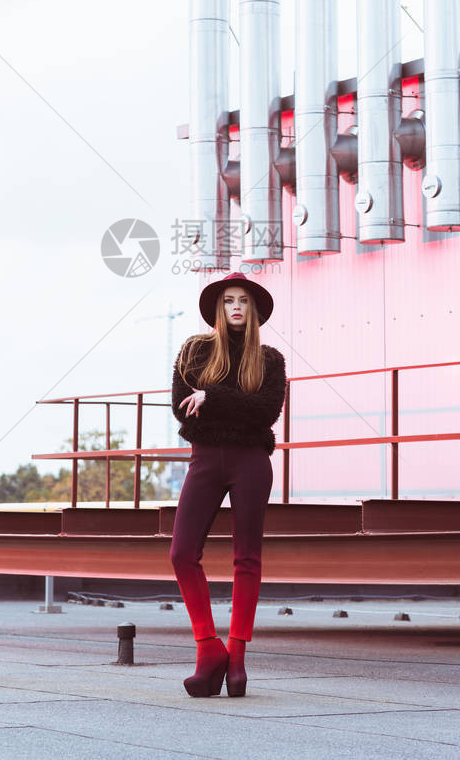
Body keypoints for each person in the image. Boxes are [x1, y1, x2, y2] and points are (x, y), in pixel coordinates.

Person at [169, 271, 287, 698]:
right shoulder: (194, 351)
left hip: (252, 462)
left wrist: (213, 398)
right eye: (227, 300)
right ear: (218, 309)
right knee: (182, 553)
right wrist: (229, 405)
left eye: (242, 300)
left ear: (252, 310)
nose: (235, 306)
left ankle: (237, 657)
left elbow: (265, 412)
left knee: (246, 558)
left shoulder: (270, 360)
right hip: (205, 460)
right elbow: (183, 410)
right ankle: (208, 649)